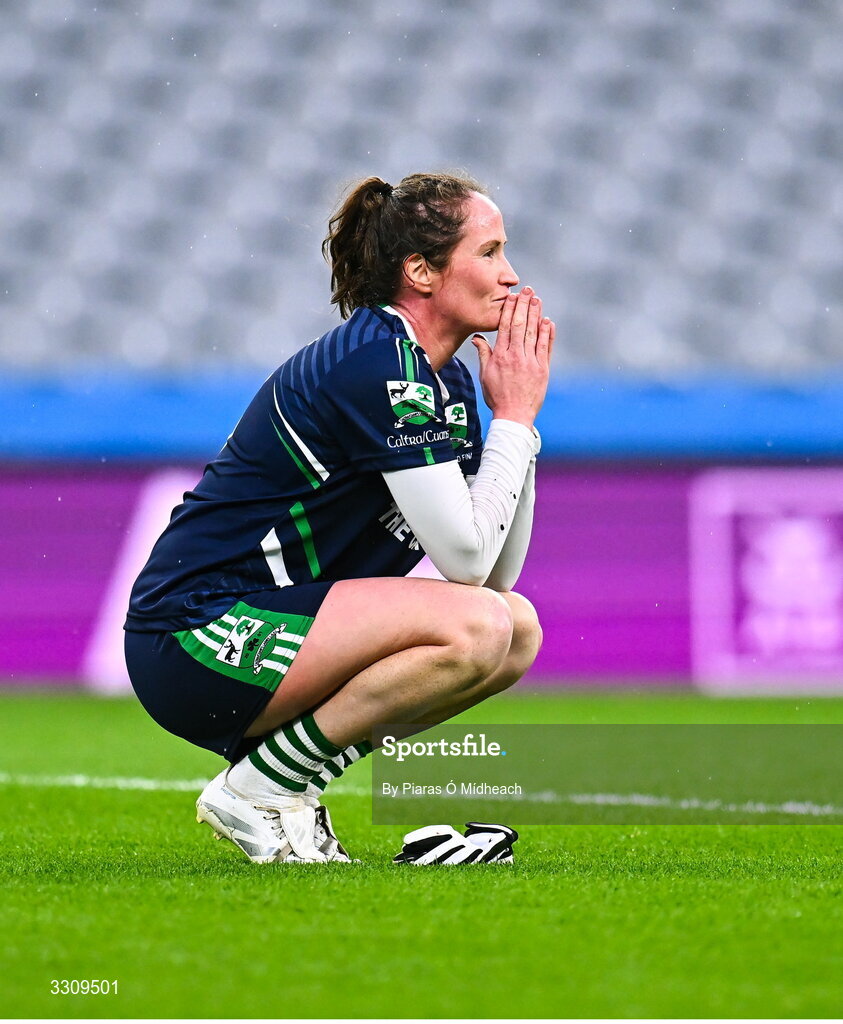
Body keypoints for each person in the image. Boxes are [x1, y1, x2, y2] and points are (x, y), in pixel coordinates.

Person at [124, 171, 555, 863]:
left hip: (273, 626)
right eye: (489, 252)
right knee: (480, 626)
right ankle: (259, 790)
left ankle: (280, 788)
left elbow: (495, 569)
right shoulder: (378, 365)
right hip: (195, 633)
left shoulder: (438, 378)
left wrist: (519, 428)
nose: (509, 276)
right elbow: (468, 564)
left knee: (514, 629)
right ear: (420, 270)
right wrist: (511, 421)